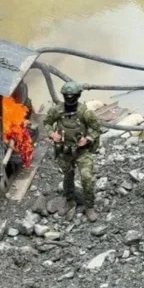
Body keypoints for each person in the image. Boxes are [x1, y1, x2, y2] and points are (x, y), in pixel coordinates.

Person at [43, 81, 102, 222]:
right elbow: (47, 122)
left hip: (82, 152)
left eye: (72, 96)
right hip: (64, 151)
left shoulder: (85, 113)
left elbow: (97, 128)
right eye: (67, 96)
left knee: (86, 177)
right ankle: (69, 201)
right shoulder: (57, 110)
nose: (69, 99)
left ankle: (89, 206)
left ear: (78, 96)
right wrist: (52, 134)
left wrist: (87, 139)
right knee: (67, 177)